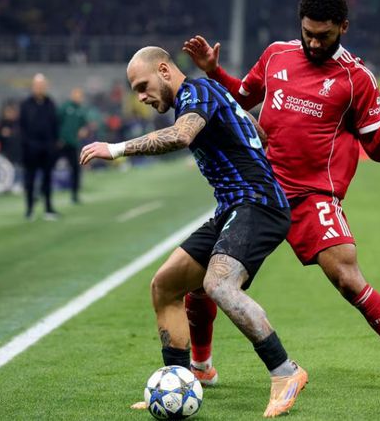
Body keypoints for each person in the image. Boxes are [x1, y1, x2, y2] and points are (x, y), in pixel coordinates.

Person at [182, 0, 380, 397]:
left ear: (343, 27)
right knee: (200, 278)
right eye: (308, 34)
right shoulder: (276, 55)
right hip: (260, 190)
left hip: (312, 196)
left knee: (348, 279)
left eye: (324, 36)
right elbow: (244, 97)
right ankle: (201, 369)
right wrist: (215, 71)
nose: (315, 43)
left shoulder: (356, 79)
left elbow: (377, 151)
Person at [80, 46, 308, 418]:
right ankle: (178, 381)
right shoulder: (208, 94)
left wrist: (115, 149)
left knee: (218, 285)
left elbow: (182, 136)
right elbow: (259, 133)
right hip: (233, 205)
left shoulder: (196, 91)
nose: (141, 97)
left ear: (164, 70)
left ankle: (286, 372)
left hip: (258, 203)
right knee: (165, 285)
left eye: (142, 86)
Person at [19, 73, 59, 220]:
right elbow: (22, 126)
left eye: (42, 85)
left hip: (47, 147)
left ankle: (48, 208)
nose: (40, 88)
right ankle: (29, 209)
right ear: (33, 87)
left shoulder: (50, 103)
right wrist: (26, 144)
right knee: (29, 179)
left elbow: (55, 125)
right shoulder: (26, 104)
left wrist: (53, 144)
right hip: (31, 148)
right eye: (37, 85)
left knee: (47, 179)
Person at [57, 87, 88, 203]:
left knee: (75, 169)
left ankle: (74, 195)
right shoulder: (65, 107)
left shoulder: (81, 110)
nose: (78, 98)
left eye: (80, 96)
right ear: (72, 96)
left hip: (73, 143)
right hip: (61, 143)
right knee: (48, 166)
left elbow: (84, 125)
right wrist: (57, 138)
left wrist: (83, 130)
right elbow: (56, 122)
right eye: (76, 95)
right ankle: (41, 191)